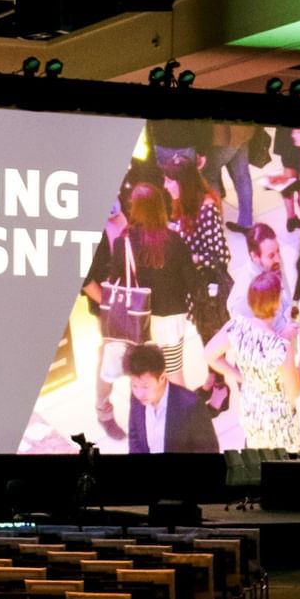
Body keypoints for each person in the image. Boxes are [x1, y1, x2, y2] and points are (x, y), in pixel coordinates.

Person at [85, 182, 197, 442]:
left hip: (135, 321)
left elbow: (117, 278)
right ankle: (177, 426)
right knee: (162, 372)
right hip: (149, 320)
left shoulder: (125, 237)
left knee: (137, 374)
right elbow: (191, 282)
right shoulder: (172, 240)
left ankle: (148, 429)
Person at [206, 270, 300, 451]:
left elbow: (210, 354)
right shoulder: (282, 347)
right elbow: (294, 391)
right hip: (278, 418)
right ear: (276, 304)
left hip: (251, 407)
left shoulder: (236, 325)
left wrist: (241, 377)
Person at [161, 153, 231, 347]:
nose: (165, 185)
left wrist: (190, 258)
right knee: (204, 329)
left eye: (169, 180)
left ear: (183, 182)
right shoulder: (182, 202)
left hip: (208, 284)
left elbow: (220, 255)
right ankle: (215, 375)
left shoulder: (207, 208)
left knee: (214, 332)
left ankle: (218, 375)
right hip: (194, 283)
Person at [126, 343, 220, 455]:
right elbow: (134, 435)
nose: (139, 393)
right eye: (134, 385)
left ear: (162, 377)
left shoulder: (191, 405)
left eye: (145, 386)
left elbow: (208, 450)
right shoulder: (136, 396)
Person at [229, 223, 294, 320]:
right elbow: (250, 331)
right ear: (255, 257)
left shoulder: (274, 263)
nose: (278, 259)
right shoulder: (243, 296)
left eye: (278, 251)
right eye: (271, 256)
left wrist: (291, 314)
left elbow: (285, 291)